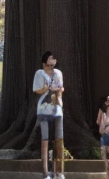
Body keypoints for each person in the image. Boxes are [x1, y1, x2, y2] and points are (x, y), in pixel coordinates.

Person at [33, 51, 64, 179]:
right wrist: (45, 89)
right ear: (45, 62)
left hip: (57, 108)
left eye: (54, 60)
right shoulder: (39, 73)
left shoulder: (58, 73)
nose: (52, 62)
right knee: (45, 140)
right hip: (44, 108)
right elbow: (36, 90)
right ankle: (45, 172)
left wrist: (59, 92)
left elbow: (61, 88)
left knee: (59, 140)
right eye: (50, 59)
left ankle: (59, 171)